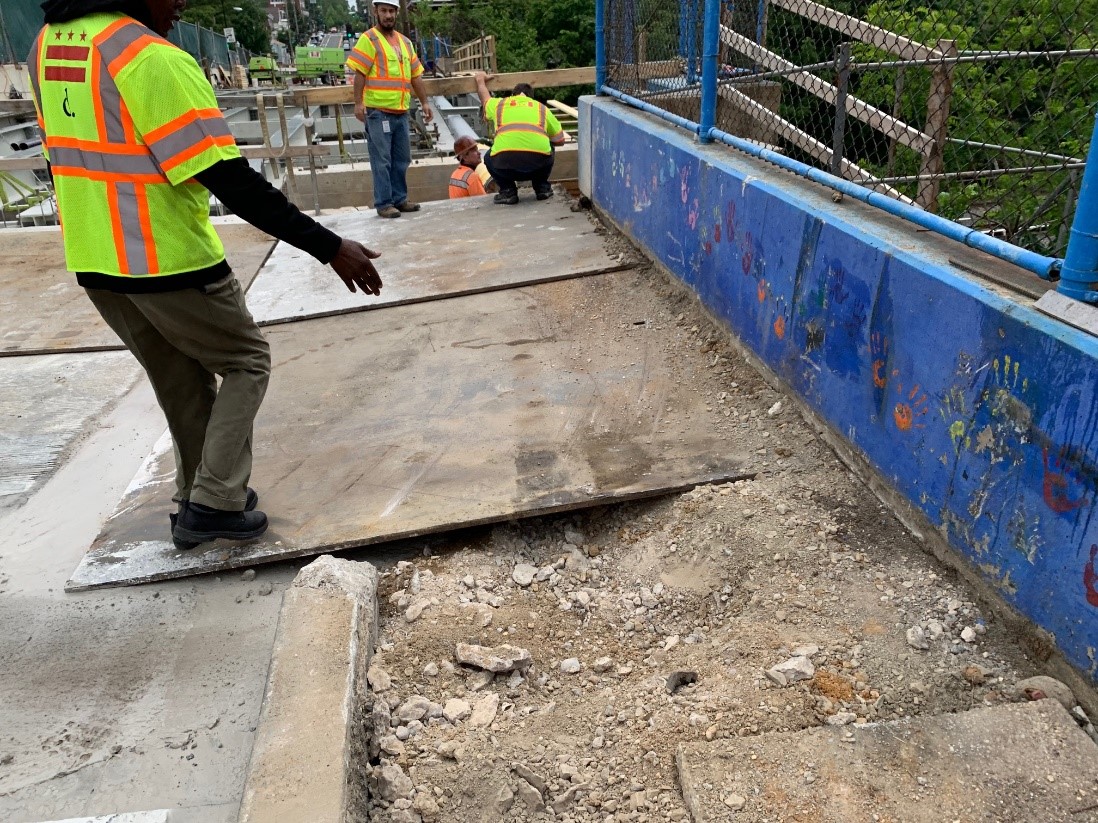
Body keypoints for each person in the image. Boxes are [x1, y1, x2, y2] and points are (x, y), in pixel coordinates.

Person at [28, 0, 384, 549]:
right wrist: (329, 246)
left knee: (181, 381)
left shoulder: (48, 45)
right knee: (245, 360)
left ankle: (196, 499)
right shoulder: (148, 57)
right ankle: (214, 502)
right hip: (165, 257)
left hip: (97, 259)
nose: (181, 5)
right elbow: (230, 179)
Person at [347, 0, 433, 219]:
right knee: (382, 160)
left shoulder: (405, 42)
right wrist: (358, 103)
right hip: (378, 112)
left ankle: (400, 199)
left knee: (401, 159)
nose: (388, 15)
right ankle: (384, 203)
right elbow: (360, 74)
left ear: (396, 13)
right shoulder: (369, 39)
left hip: (401, 111)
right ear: (376, 12)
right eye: (384, 11)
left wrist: (424, 102)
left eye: (392, 11)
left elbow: (416, 75)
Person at [473, 71, 566, 205]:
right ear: (531, 98)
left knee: (489, 156)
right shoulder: (542, 108)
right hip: (537, 166)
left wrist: (480, 80)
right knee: (549, 147)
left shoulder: (500, 105)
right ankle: (542, 188)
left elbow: (485, 99)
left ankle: (508, 192)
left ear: (513, 95)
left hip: (504, 166)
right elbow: (559, 140)